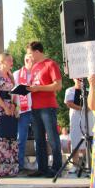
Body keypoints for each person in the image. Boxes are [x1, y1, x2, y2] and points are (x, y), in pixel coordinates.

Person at [25, 41, 63, 178]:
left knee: (53, 138)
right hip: (35, 107)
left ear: (37, 52)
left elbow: (58, 85)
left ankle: (57, 168)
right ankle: (42, 168)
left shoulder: (50, 64)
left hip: (48, 107)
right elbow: (34, 85)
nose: (28, 56)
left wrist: (38, 88)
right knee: (39, 139)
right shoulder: (34, 67)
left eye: (30, 53)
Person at [0, 53, 19, 177]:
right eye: (10, 60)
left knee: (11, 137)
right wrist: (5, 107)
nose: (12, 63)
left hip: (11, 109)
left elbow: (14, 93)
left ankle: (11, 169)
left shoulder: (11, 76)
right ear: (2, 61)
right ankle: (0, 169)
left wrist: (13, 105)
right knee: (0, 138)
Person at [64, 78, 95, 174]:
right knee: (75, 140)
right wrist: (82, 109)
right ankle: (75, 165)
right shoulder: (70, 90)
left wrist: (88, 109)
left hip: (89, 119)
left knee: (88, 141)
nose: (79, 79)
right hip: (76, 119)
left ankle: (87, 163)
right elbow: (69, 103)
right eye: (77, 78)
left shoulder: (89, 90)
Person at [12, 53, 33, 173]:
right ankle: (20, 165)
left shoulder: (37, 74)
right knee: (21, 139)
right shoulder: (16, 74)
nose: (33, 62)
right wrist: (15, 108)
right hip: (23, 110)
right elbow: (13, 93)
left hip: (36, 109)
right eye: (31, 60)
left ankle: (41, 164)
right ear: (26, 60)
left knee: (40, 138)